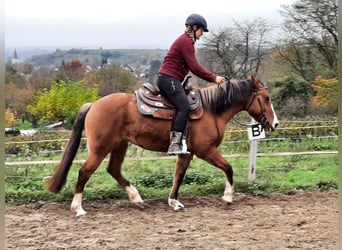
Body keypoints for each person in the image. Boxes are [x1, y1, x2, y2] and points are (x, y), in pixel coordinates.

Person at [157, 13, 226, 155]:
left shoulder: (187, 42)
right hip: (169, 79)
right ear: (194, 28)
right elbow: (195, 68)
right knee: (184, 107)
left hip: (171, 79)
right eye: (201, 31)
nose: (202, 34)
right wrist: (214, 78)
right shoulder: (185, 42)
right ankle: (174, 144)